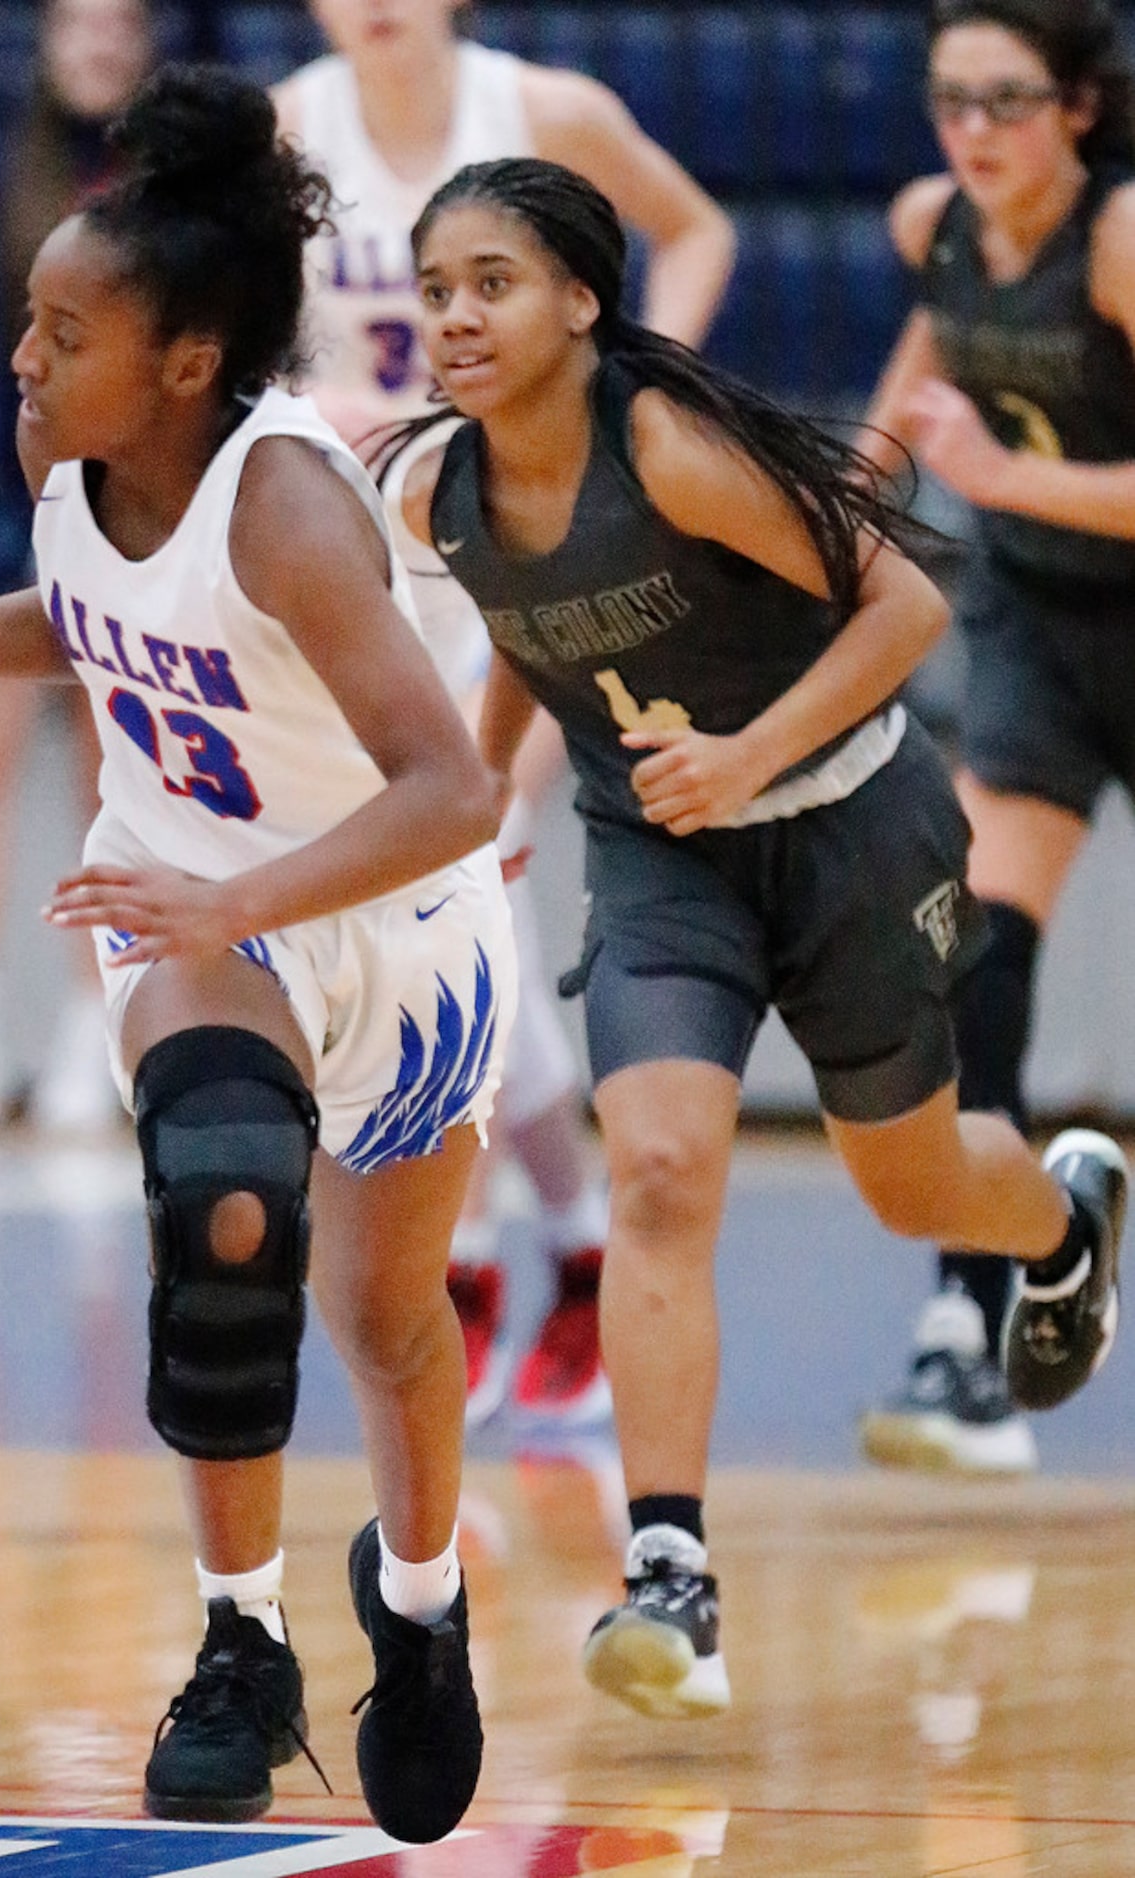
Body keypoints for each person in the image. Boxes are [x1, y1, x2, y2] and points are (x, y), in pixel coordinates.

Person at [385, 153, 1127, 1722]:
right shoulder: (434, 486)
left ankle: (1056, 1227)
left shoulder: (663, 447)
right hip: (659, 857)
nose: (454, 315)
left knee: (906, 1177)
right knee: (657, 1167)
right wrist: (487, 792)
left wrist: (748, 755)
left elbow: (906, 612)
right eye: (435, 288)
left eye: (491, 283)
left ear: (583, 300)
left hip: (852, 824)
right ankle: (671, 1575)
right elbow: (529, 633)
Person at [0, 65, 518, 1841]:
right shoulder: (70, 458)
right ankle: (239, 1644)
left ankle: (418, 1610)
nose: (24, 358)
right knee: (219, 1205)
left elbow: (449, 786)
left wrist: (247, 908)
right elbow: (87, 614)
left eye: (63, 330)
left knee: (384, 1315)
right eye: (31, 322)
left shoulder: (283, 505)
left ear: (187, 361)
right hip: (187, 897)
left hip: (390, 918)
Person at [274, 0, 737, 1425]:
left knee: (470, 886)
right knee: (416, 919)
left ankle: (483, 1261)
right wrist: (302, 399)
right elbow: (234, 326)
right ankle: (557, 1240)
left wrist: (619, 397)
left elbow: (699, 229)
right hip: (360, 562)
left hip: (514, 552)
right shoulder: (289, 125)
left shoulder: (542, 114)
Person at [858, 0, 1135, 1477]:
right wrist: (824, 523)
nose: (970, 131)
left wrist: (990, 476)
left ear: (1077, 108)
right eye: (949, 99)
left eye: (1004, 101)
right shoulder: (936, 224)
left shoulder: (1114, 237)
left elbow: (975, 452)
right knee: (974, 953)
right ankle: (970, 1329)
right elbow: (912, 405)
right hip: (1041, 624)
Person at [0, 0, 156, 1142]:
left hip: (131, 507)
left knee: (109, 787)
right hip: (13, 499)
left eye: (121, 24)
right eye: (81, 23)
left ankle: (89, 1042)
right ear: (49, 42)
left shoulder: (167, 180)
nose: (100, 42)